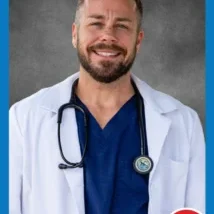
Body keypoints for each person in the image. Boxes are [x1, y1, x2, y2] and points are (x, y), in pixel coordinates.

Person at [9, 0, 205, 213]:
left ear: (138, 41)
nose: (108, 36)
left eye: (122, 26)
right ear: (75, 34)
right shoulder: (24, 118)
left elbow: (198, 205)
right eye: (96, 23)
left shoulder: (184, 122)